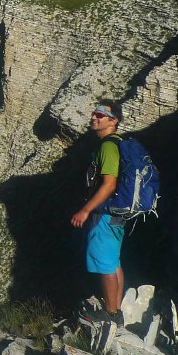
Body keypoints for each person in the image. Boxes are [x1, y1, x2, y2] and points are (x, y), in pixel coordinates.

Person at [71, 99, 126, 327]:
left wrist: (85, 210)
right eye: (94, 113)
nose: (94, 118)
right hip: (116, 213)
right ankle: (116, 309)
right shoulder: (117, 144)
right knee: (113, 262)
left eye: (100, 115)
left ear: (113, 121)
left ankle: (111, 314)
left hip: (105, 213)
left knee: (104, 263)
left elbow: (109, 184)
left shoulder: (108, 147)